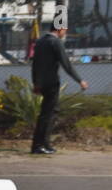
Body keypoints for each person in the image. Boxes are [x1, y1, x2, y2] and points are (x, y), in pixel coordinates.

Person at [30, 21, 89, 155]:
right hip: (51, 83)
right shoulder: (55, 42)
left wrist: (36, 83)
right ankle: (41, 145)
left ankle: (41, 144)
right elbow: (66, 64)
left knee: (46, 114)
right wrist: (80, 80)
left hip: (41, 83)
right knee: (49, 114)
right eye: (65, 30)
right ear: (60, 29)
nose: (65, 33)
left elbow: (35, 65)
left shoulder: (40, 42)